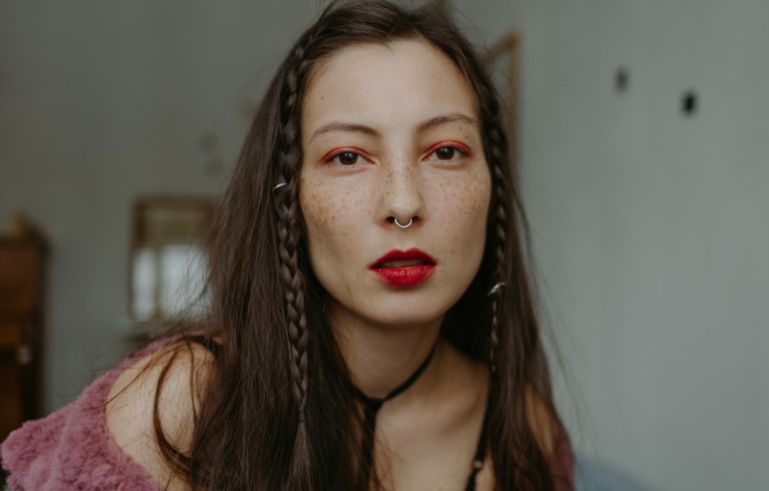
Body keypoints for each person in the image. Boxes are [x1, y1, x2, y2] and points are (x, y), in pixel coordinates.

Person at [1, 0, 575, 489]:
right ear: (288, 201)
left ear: (493, 189)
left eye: (445, 151)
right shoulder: (181, 405)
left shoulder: (526, 431)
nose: (403, 204)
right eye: (347, 157)